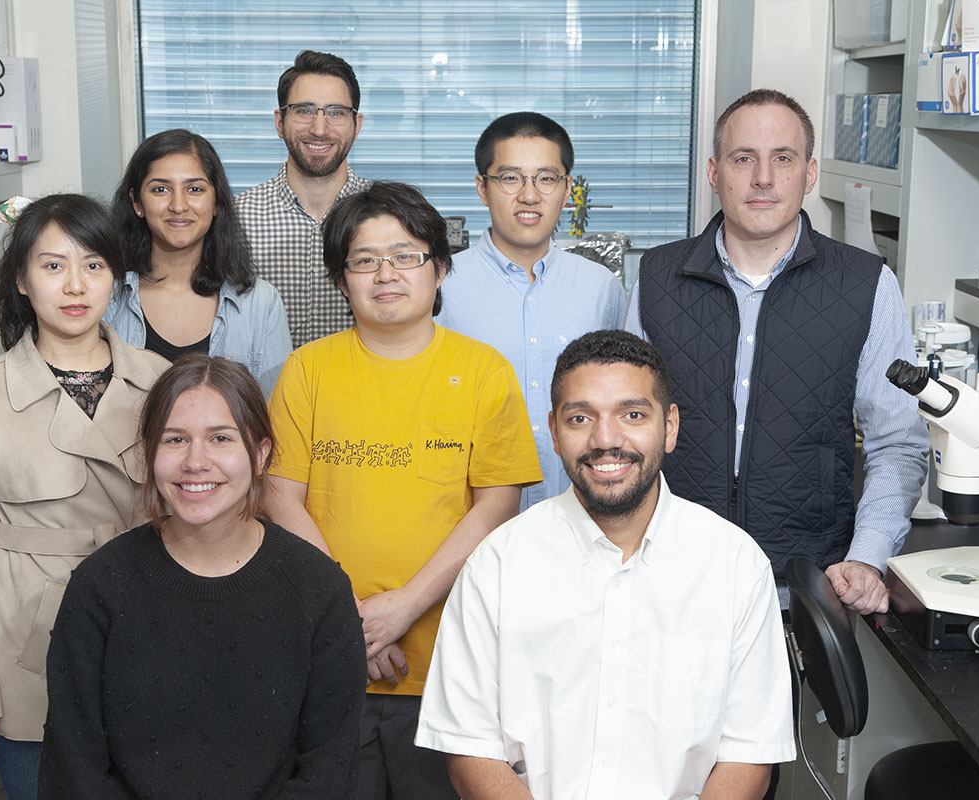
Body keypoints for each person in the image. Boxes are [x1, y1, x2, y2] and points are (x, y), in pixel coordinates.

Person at [416, 330, 795, 800]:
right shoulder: (496, 564)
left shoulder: (735, 565)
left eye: (632, 415)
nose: (605, 439)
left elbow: (750, 754)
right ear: (555, 432)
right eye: (580, 418)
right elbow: (468, 750)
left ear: (670, 427)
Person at [263, 181, 543, 800]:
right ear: (342, 282)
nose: (385, 274)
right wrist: (349, 619)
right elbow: (279, 497)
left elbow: (498, 505)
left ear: (439, 269)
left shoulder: (483, 371)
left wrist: (405, 606)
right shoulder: (307, 370)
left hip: (449, 666)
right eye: (364, 260)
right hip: (328, 660)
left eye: (405, 256)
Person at [624, 88, 930, 614]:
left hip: (807, 583)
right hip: (670, 575)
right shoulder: (656, 278)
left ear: (809, 174)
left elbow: (897, 442)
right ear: (714, 173)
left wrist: (867, 557)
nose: (763, 178)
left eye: (783, 159)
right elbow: (625, 432)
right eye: (744, 159)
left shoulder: (866, 285)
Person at [38, 355, 366, 799]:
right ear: (150, 452)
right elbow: (74, 769)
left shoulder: (320, 590)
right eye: (175, 439)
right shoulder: (99, 586)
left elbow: (329, 770)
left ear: (261, 454)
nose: (196, 462)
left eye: (220, 438)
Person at [0, 194, 172, 799]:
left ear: (115, 277)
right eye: (52, 265)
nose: (75, 285)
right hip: (27, 649)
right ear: (21, 279)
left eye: (93, 265)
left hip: (149, 633)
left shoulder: (160, 382)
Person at [437, 112, 626, 510]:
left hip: (582, 514)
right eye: (510, 178)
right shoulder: (441, 286)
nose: (529, 195)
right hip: (469, 517)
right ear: (482, 188)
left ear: (567, 188)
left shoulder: (601, 288)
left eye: (546, 178)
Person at [106, 128, 291, 396]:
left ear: (216, 201)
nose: (178, 205)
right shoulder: (106, 296)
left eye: (194, 189)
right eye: (160, 189)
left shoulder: (261, 303)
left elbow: (275, 410)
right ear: (137, 202)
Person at [234, 50, 372, 347]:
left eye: (336, 112)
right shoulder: (237, 218)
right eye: (304, 111)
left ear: (357, 125)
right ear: (279, 122)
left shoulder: (384, 216)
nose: (319, 129)